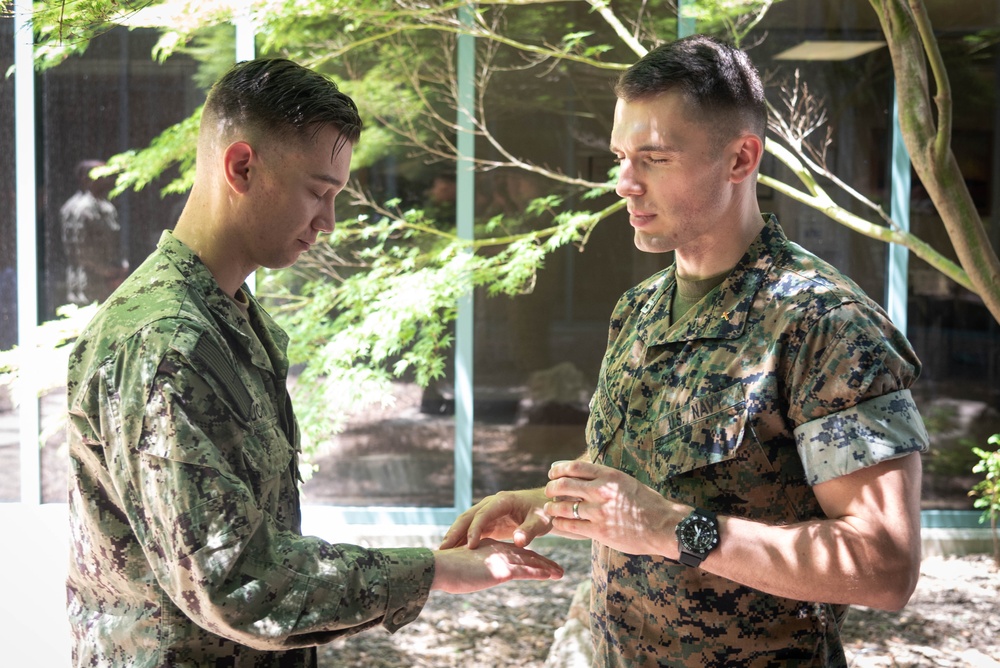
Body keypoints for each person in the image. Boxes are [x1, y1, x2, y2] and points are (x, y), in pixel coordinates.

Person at [441, 35, 928, 667]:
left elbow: (884, 566)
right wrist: (544, 504)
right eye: (620, 156)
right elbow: (638, 477)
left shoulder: (823, 324)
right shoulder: (639, 310)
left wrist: (671, 528)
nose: (624, 183)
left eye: (654, 158)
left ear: (739, 159)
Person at [65, 58, 563, 668]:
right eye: (318, 193)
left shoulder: (225, 319)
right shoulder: (166, 342)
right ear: (242, 166)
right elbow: (235, 583)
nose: (327, 223)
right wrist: (433, 571)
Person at [60, 159, 129, 304]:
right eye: (101, 175)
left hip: (111, 281)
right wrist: (109, 271)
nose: (107, 179)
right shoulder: (79, 209)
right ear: (86, 179)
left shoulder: (106, 207)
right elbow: (81, 252)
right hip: (88, 284)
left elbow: (116, 241)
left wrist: (120, 267)